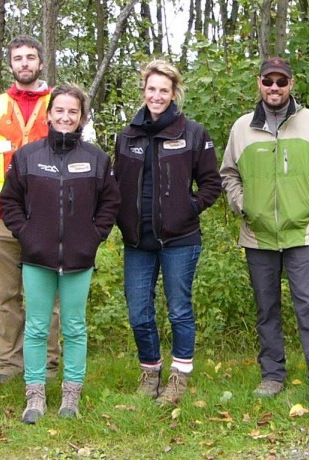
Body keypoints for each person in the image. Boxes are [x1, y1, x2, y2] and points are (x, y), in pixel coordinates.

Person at [220, 56, 309, 415]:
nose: (275, 88)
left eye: (281, 81)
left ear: (291, 84)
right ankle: (272, 375)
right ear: (259, 83)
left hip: (303, 233)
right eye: (268, 81)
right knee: (266, 308)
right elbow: (229, 174)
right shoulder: (242, 128)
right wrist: (245, 207)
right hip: (257, 236)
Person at [0, 84, 120, 422]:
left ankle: (71, 394)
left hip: (79, 260)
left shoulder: (96, 158)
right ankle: (35, 394)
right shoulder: (27, 156)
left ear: (81, 117)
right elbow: (9, 201)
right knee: (37, 327)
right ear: (49, 114)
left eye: (73, 112)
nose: (66, 117)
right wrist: (26, 235)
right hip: (37, 257)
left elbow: (110, 202)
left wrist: (93, 237)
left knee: (75, 326)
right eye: (60, 110)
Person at [114, 60, 222, 405]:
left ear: (174, 93)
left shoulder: (192, 133)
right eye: (151, 89)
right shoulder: (126, 136)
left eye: (164, 90)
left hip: (180, 239)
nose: (157, 96)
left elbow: (211, 184)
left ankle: (179, 376)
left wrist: (186, 209)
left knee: (178, 309)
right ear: (143, 91)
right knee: (139, 312)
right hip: (137, 241)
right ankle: (150, 371)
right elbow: (115, 186)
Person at [0, 35, 61, 387]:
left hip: (46, 220)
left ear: (40, 63)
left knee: (47, 298)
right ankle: (9, 365)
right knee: (8, 296)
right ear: (10, 65)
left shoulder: (58, 103)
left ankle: (49, 365)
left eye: (31, 57)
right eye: (18, 58)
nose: (25, 63)